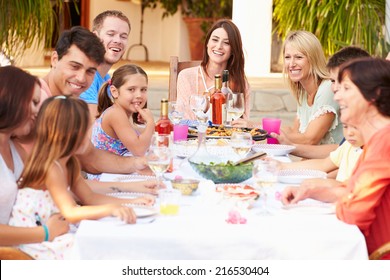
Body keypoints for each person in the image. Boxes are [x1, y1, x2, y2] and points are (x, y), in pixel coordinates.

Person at [9, 96, 155, 259]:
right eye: (85, 129)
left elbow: (90, 197)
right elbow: (70, 212)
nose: (89, 134)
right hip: (37, 240)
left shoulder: (70, 162)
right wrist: (111, 209)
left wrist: (132, 202)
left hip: (59, 225)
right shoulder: (51, 166)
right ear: (65, 133)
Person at [282, 58, 390, 259]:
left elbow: (355, 212)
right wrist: (311, 191)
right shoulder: (376, 140)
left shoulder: (385, 141)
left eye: (346, 88)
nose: (337, 95)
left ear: (374, 95)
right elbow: (353, 190)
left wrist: (343, 201)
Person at [16, 26, 153, 178]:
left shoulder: (69, 104)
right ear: (55, 59)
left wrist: (138, 163)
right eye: (74, 66)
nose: (81, 78)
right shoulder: (34, 100)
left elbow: (90, 157)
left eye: (90, 71)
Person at [0, 66, 69, 248]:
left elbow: (55, 184)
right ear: (13, 100)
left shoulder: (15, 150)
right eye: (34, 102)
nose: (37, 112)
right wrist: (45, 232)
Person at [269, 46, 370, 158]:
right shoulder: (303, 93)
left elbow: (310, 140)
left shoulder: (373, 125)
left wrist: (287, 147)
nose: (291, 63)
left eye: (298, 57)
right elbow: (338, 155)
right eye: (287, 57)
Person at [176, 19, 250, 120]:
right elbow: (183, 120)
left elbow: (242, 124)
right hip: (193, 136)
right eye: (215, 40)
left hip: (226, 135)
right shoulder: (186, 77)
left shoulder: (241, 84)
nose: (219, 46)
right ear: (207, 43)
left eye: (226, 43)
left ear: (233, 50)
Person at [92, 64, 155, 157]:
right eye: (131, 89)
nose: (139, 95)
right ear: (114, 92)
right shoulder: (115, 114)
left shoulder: (121, 113)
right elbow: (139, 151)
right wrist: (150, 122)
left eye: (143, 89)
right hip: (108, 170)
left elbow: (148, 139)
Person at [80, 10, 131, 122]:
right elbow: (94, 129)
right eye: (111, 34)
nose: (118, 40)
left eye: (123, 36)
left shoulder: (107, 79)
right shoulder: (85, 76)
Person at [278, 123, 363, 187]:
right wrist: (282, 166)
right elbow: (324, 164)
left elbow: (353, 189)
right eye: (345, 126)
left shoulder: (371, 155)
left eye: (355, 127)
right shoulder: (348, 145)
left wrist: (323, 182)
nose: (349, 133)